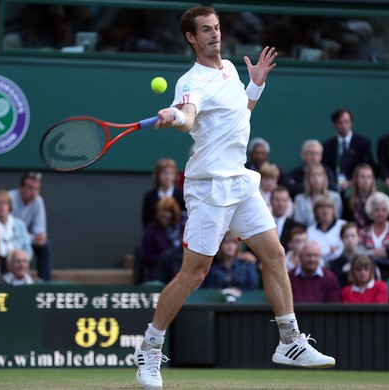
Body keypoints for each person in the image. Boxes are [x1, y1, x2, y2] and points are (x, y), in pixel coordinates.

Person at [133, 7, 334, 390]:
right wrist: (175, 116)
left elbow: (239, 115)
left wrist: (254, 86)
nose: (215, 35)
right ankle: (150, 349)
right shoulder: (190, 82)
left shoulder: (227, 67)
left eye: (217, 28)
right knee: (194, 273)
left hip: (240, 181)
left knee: (274, 254)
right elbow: (189, 117)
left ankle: (290, 342)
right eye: (206, 30)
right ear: (191, 37)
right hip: (209, 188)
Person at [9, 171, 53, 281]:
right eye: (30, 188)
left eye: (37, 189)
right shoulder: (9, 198)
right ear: (21, 187)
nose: (34, 192)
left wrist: (36, 238)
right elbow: (9, 232)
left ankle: (44, 284)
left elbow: (40, 233)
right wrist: (31, 238)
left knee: (45, 245)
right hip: (10, 241)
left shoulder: (38, 200)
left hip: (26, 241)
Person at [321, 108, 374, 192]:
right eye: (340, 122)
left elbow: (366, 166)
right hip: (332, 185)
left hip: (355, 185)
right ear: (335, 124)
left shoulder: (363, 143)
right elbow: (325, 168)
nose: (343, 126)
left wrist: (351, 182)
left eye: (346, 122)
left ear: (351, 123)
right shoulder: (327, 145)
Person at [359, 192, 389, 280]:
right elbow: (360, 251)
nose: (380, 213)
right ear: (371, 212)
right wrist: (384, 252)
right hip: (367, 269)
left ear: (388, 212)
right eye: (376, 210)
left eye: (384, 210)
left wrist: (370, 253)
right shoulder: (363, 231)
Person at [202, 230, 259, 301]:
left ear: (238, 246)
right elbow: (209, 288)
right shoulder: (213, 268)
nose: (230, 246)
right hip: (218, 304)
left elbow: (253, 287)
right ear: (220, 246)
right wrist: (224, 291)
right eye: (226, 243)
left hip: (244, 304)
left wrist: (239, 292)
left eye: (234, 242)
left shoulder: (247, 265)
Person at [140, 197, 183, 282]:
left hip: (181, 271)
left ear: (173, 214)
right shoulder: (150, 231)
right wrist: (166, 258)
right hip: (159, 274)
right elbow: (147, 257)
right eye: (160, 214)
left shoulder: (182, 228)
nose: (163, 217)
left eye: (167, 213)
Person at [0, 190, 33, 260]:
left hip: (17, 262)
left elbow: (28, 249)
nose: (2, 207)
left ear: (10, 206)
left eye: (5, 203)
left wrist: (20, 257)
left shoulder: (20, 225)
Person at [141, 158, 186, 227]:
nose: (167, 176)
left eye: (170, 173)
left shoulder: (181, 196)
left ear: (175, 175)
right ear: (157, 175)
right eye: (164, 173)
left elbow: (184, 219)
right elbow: (146, 220)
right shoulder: (149, 196)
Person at [306, 195, 346, 264]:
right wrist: (330, 249)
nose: (325, 210)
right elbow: (312, 252)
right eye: (321, 207)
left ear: (333, 210)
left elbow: (343, 248)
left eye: (328, 207)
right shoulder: (310, 230)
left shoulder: (342, 225)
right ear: (316, 211)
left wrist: (322, 251)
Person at [342, 164, 376, 229]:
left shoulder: (377, 201)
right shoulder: (347, 200)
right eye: (362, 177)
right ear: (356, 179)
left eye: (369, 177)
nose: (366, 180)